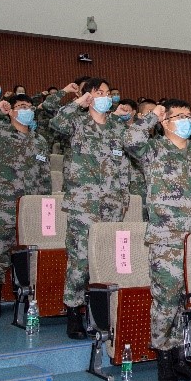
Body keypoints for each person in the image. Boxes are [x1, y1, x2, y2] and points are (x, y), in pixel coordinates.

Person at [124, 99, 191, 381]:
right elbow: (131, 139)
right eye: (180, 116)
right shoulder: (153, 150)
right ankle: (164, 358)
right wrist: (152, 115)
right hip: (166, 240)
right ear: (165, 122)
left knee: (187, 302)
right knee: (166, 302)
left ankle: (180, 356)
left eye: (189, 116)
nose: (187, 120)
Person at [50, 78, 132, 338]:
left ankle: (100, 313)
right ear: (88, 96)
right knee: (81, 258)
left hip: (112, 203)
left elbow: (124, 165)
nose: (105, 96)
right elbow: (56, 123)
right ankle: (74, 310)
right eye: (99, 92)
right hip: (83, 203)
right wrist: (78, 103)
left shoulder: (117, 127)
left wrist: (124, 197)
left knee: (106, 257)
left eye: (108, 92)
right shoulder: (77, 122)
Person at [0, 96, 51, 318]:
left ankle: (27, 297)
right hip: (4, 206)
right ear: (10, 112)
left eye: (29, 107)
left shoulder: (39, 141)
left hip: (30, 209)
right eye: (20, 107)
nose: (26, 110)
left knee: (29, 255)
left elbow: (44, 177)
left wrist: (44, 205)